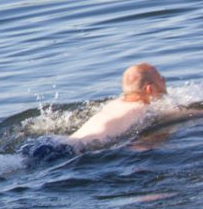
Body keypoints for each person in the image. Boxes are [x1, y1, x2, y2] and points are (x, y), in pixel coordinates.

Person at [24, 63, 202, 161]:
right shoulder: (143, 109)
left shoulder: (114, 103)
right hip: (67, 154)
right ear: (149, 89)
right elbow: (184, 114)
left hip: (50, 143)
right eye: (161, 78)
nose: (164, 80)